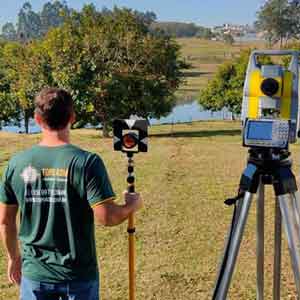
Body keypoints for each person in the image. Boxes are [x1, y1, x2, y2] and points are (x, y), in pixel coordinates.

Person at [0, 87, 143, 300]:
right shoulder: (87, 162)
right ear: (72, 117)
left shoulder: (16, 163)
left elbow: (5, 221)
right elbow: (107, 217)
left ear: (38, 119)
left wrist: (13, 257)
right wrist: (132, 205)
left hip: (34, 275)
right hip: (78, 277)